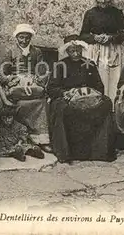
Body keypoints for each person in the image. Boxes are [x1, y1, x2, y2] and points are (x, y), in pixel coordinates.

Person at [47, 35, 116, 163]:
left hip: (88, 97)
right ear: (67, 51)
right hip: (67, 97)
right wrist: (65, 92)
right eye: (72, 51)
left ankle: (101, 151)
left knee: (106, 102)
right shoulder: (60, 65)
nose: (76, 53)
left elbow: (99, 86)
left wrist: (90, 92)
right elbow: (51, 89)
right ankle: (66, 153)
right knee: (61, 108)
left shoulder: (89, 63)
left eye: (78, 50)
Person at [0, 24, 50, 155]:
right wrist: (12, 79)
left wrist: (36, 80)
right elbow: (1, 73)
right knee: (18, 101)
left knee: (41, 102)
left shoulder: (37, 52)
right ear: (16, 37)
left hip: (32, 84)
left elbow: (42, 70)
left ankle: (41, 139)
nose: (24, 40)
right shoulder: (10, 51)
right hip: (17, 85)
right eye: (21, 37)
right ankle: (22, 139)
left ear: (31, 38)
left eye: (27, 38)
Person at [79, 0, 124, 104]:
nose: (103, 1)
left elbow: (123, 32)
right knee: (97, 77)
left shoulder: (117, 13)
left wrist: (111, 38)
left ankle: (112, 106)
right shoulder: (90, 13)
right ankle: (96, 104)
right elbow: (83, 34)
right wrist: (95, 37)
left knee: (114, 79)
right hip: (95, 50)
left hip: (113, 50)